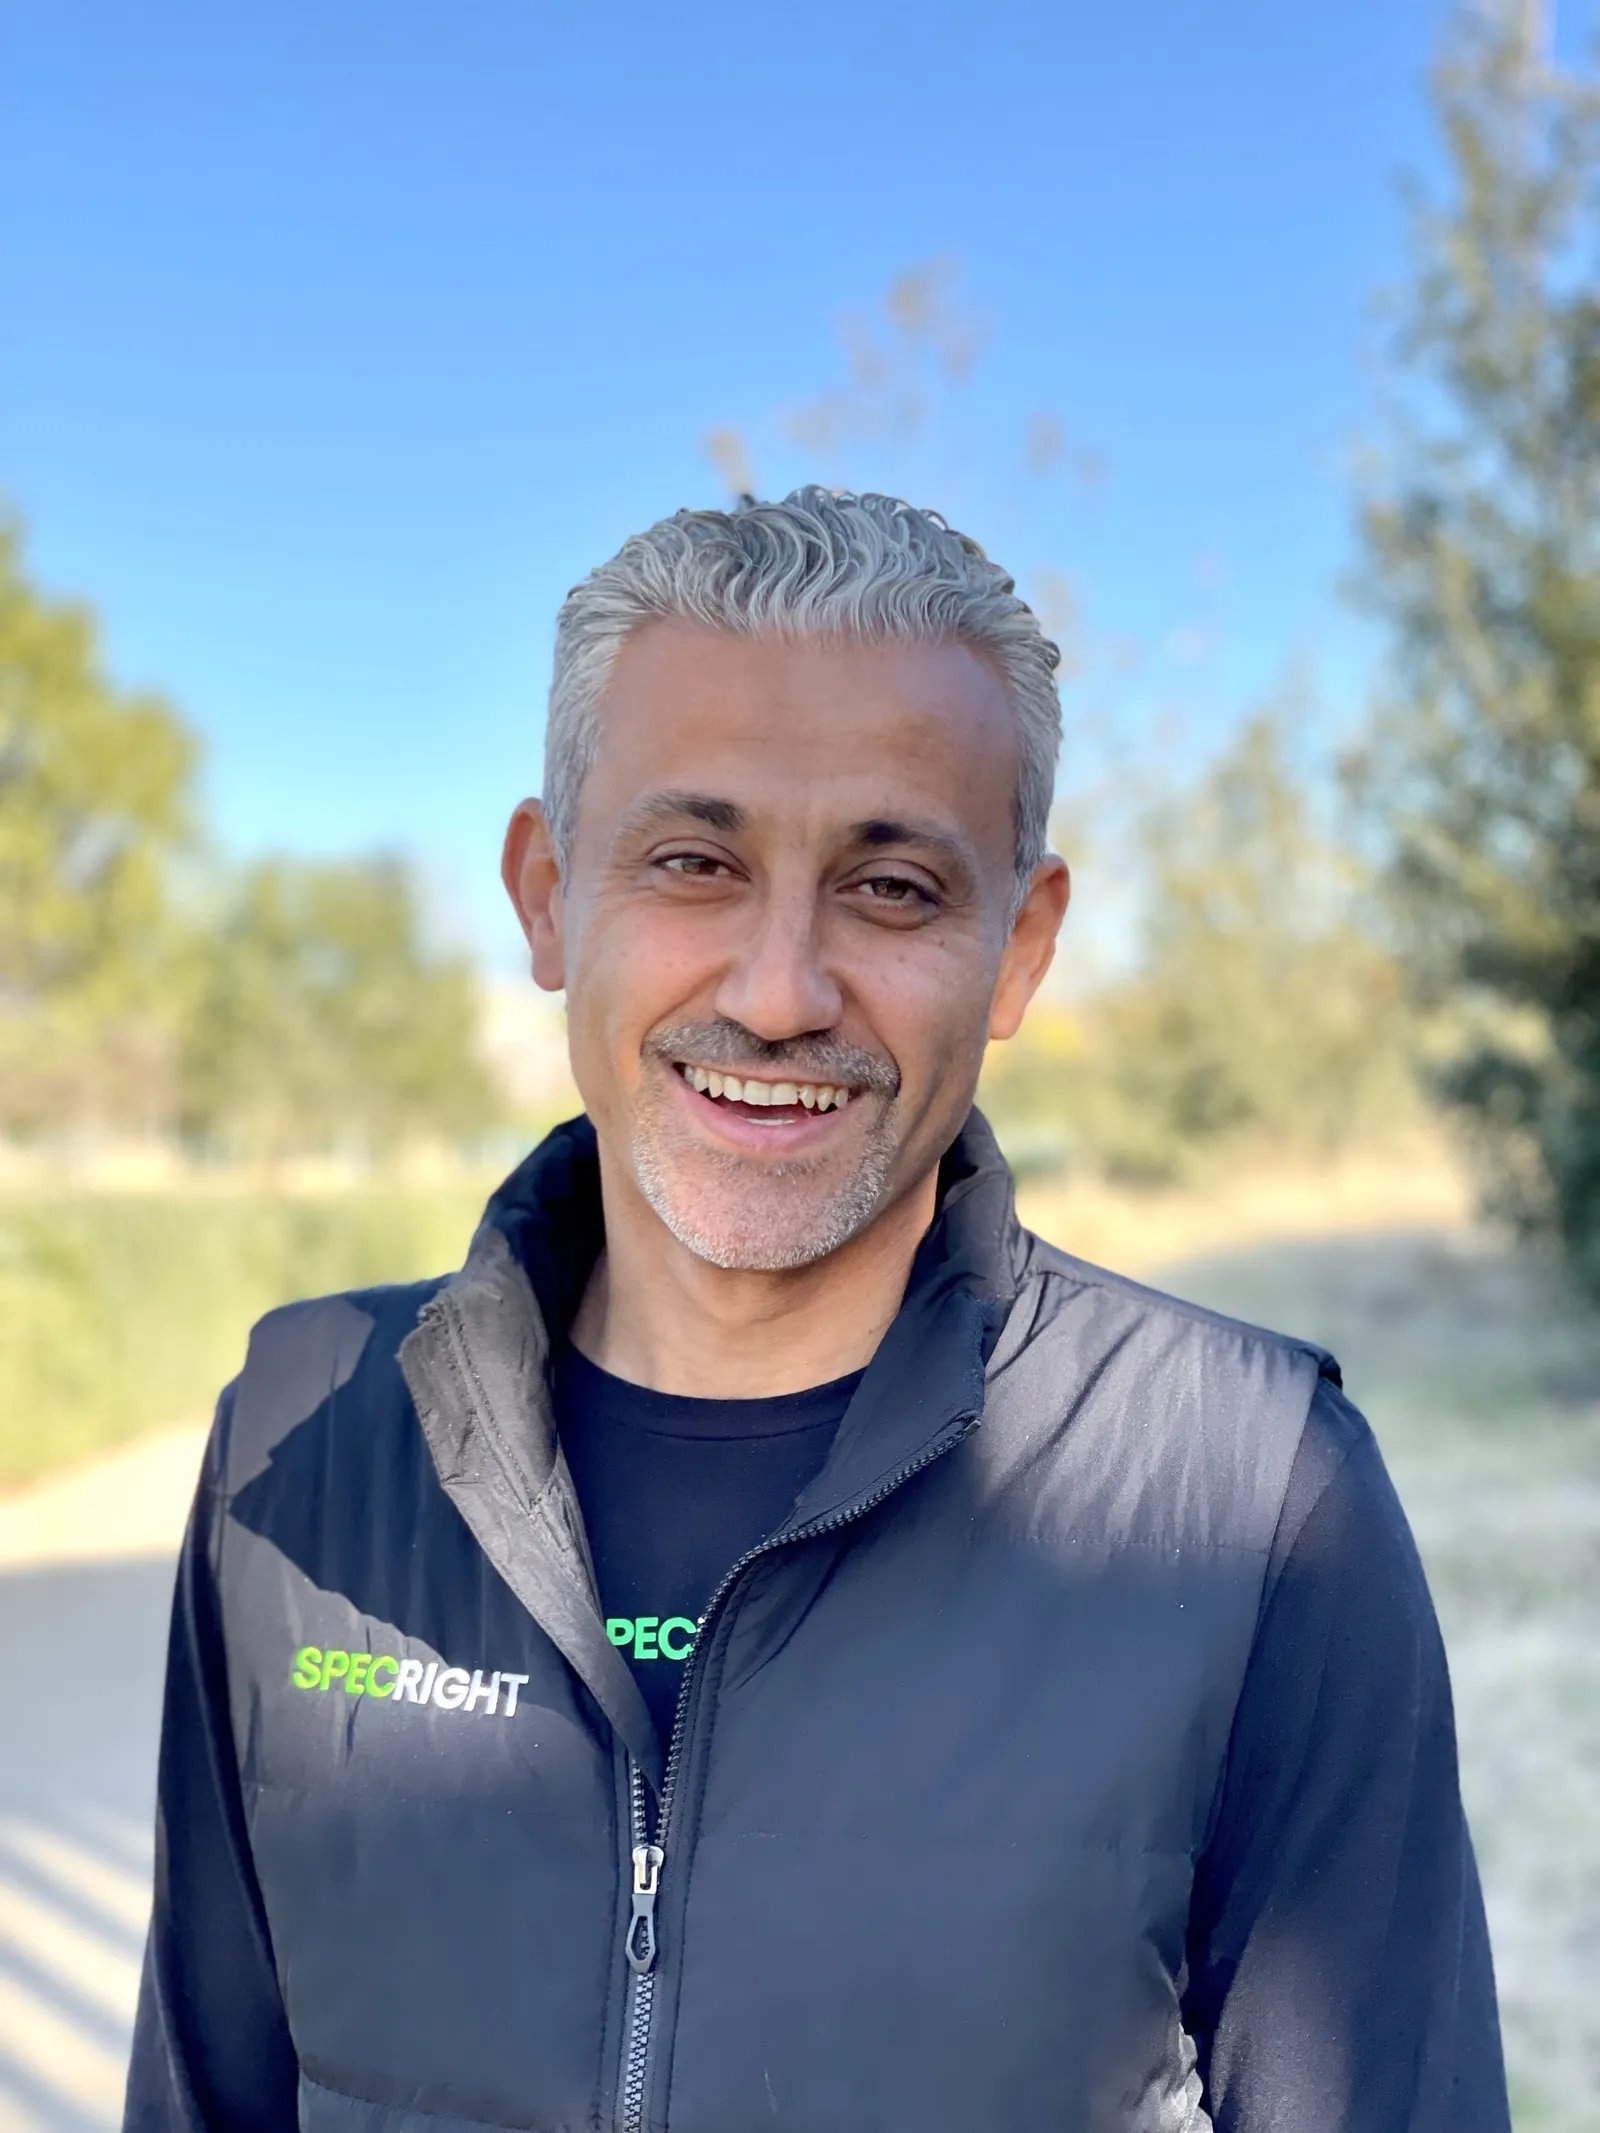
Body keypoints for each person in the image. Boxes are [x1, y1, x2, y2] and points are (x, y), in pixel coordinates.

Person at [124, 488, 1509, 2133]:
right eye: (694, 862)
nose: (779, 992)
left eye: (897, 887)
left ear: (1021, 946)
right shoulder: (307, 1437)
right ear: (550, 893)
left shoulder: (1250, 1497)